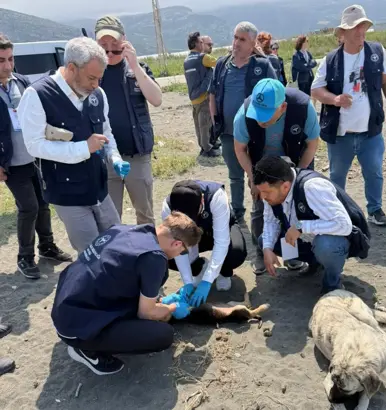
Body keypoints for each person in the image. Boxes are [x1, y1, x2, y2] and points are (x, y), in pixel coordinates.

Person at [51, 212, 202, 375]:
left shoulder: (125, 230)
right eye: (183, 251)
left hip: (66, 304)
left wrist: (159, 301)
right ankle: (87, 349)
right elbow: (146, 314)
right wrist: (172, 307)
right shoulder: (154, 258)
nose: (180, 255)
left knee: (143, 307)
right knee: (163, 335)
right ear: (177, 244)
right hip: (75, 326)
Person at [17, 37, 131, 255]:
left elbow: (106, 132)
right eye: (91, 78)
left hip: (99, 187)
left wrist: (114, 157)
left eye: (99, 78)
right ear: (71, 68)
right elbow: (34, 146)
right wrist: (83, 148)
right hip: (67, 193)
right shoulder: (37, 95)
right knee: (91, 253)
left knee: (116, 242)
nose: (96, 85)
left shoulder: (97, 94)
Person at [311, 4, 386, 226]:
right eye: (355, 27)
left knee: (374, 172)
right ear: (343, 33)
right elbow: (316, 90)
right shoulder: (331, 60)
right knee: (337, 175)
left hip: (370, 131)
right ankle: (339, 212)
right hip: (340, 133)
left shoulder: (376, 52)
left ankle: (375, 210)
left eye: (363, 26)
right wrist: (335, 99)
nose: (361, 31)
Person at [0, 34, 72, 279]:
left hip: (35, 158)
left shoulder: (21, 82)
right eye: (1, 60)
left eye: (10, 59)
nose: (8, 66)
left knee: (43, 203)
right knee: (28, 207)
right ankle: (25, 257)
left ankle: (47, 247)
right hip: (11, 163)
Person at [234, 78, 319, 274]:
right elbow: (240, 149)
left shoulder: (303, 108)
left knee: (293, 211)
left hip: (295, 163)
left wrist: (298, 177)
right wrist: (253, 179)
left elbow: (312, 145)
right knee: (259, 209)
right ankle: (261, 253)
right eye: (257, 113)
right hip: (261, 167)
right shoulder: (244, 114)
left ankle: (290, 255)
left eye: (266, 115)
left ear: (283, 107)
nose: (260, 120)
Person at [254, 156, 370, 294]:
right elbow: (270, 221)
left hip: (346, 238)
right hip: (310, 236)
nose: (262, 197)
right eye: (261, 191)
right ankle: (315, 262)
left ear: (285, 186)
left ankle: (332, 284)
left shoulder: (312, 187)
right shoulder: (273, 192)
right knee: (265, 241)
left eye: (266, 192)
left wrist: (301, 226)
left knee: (326, 245)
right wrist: (267, 249)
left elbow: (344, 226)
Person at [95, 16, 162, 225]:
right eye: (103, 46)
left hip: (137, 156)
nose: (109, 52)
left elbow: (157, 99)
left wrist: (134, 64)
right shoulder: (92, 74)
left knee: (145, 215)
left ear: (124, 40)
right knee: (110, 219)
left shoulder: (138, 69)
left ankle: (147, 246)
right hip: (105, 158)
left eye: (115, 45)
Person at [209, 21, 277, 222]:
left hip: (256, 132)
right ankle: (237, 211)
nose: (236, 43)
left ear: (253, 43)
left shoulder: (262, 66)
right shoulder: (222, 65)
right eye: (235, 37)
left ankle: (262, 212)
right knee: (235, 174)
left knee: (258, 173)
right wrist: (215, 121)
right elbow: (212, 94)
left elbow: (276, 92)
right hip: (228, 132)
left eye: (242, 39)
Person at [162, 180, 247, 303]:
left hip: (216, 230)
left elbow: (222, 241)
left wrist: (207, 281)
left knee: (236, 252)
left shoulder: (216, 196)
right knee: (168, 253)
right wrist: (187, 282)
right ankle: (200, 268)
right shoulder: (167, 206)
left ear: (202, 201)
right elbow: (178, 245)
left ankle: (223, 272)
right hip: (192, 236)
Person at [183, 32, 220, 157]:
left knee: (198, 126)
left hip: (193, 98)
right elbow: (219, 63)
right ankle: (207, 149)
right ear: (195, 44)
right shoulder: (203, 57)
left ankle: (202, 147)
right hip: (203, 97)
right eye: (201, 42)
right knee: (205, 125)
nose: (202, 44)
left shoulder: (186, 61)